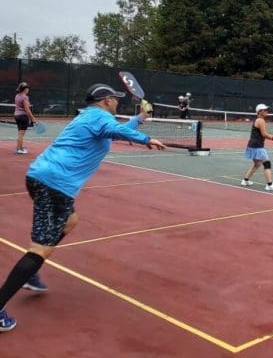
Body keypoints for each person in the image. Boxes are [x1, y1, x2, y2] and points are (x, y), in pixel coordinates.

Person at [0, 83, 166, 333]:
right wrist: (146, 139)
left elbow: (115, 130)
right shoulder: (100, 117)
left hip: (41, 177)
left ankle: (31, 273)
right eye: (115, 99)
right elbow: (114, 129)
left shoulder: (90, 116)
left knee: (70, 221)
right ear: (106, 101)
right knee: (40, 248)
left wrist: (140, 119)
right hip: (54, 184)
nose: (117, 102)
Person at [241, 104, 273, 192]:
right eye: (265, 110)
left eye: (267, 110)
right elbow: (264, 134)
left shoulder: (258, 120)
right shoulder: (261, 120)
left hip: (252, 145)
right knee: (267, 163)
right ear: (259, 112)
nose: (267, 111)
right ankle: (269, 185)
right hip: (257, 146)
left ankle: (245, 180)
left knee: (257, 164)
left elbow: (262, 134)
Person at [13, 82, 37, 155]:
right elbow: (27, 109)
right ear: (25, 89)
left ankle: (19, 147)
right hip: (23, 116)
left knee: (20, 133)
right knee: (21, 134)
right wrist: (32, 118)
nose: (28, 90)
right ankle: (19, 149)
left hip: (16, 116)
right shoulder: (25, 97)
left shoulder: (17, 96)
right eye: (27, 88)